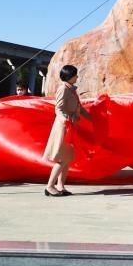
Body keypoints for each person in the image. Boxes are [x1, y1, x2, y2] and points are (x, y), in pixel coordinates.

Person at [42, 65, 90, 197]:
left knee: (67, 158)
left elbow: (79, 107)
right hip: (63, 127)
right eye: (75, 75)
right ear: (69, 76)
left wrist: (91, 118)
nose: (77, 77)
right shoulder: (63, 89)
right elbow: (58, 108)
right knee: (62, 159)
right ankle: (50, 186)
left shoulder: (71, 90)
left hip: (70, 126)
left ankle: (60, 185)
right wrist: (65, 119)